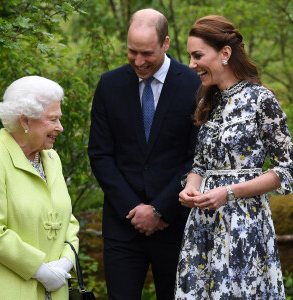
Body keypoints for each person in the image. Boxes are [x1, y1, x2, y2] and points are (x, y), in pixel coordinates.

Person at [174, 15, 293, 299]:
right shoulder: (207, 101)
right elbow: (200, 165)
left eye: (198, 55)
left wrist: (229, 192)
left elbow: (287, 169)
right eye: (190, 56)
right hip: (203, 226)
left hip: (244, 225)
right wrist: (190, 187)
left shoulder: (261, 99)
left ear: (225, 53)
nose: (191, 64)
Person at [88, 8, 201, 300]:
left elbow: (197, 157)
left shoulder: (195, 84)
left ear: (165, 43)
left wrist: (160, 209)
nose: (138, 61)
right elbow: (100, 155)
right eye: (132, 51)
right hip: (123, 224)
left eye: (147, 53)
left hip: (177, 223)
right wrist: (136, 210)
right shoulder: (109, 85)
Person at [0, 76, 79, 300]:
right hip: (11, 291)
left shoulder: (51, 158)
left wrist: (66, 262)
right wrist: (39, 270)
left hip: (56, 290)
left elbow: (68, 220)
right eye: (52, 120)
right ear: (25, 121)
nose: (60, 127)